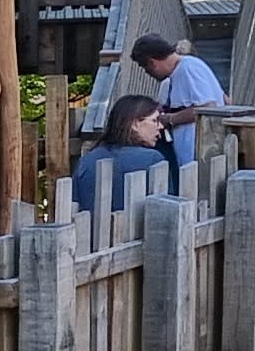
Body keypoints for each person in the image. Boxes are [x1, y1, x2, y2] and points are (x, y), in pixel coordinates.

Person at [69, 94, 174, 216]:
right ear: (135, 124)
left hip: (89, 232)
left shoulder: (87, 160)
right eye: (154, 120)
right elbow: (167, 211)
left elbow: (74, 204)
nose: (160, 126)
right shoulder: (153, 160)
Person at [129, 33, 223, 167]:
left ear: (152, 62)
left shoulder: (189, 69)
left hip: (199, 159)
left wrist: (170, 119)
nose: (147, 73)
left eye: (146, 68)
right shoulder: (180, 71)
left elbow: (208, 108)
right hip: (192, 161)